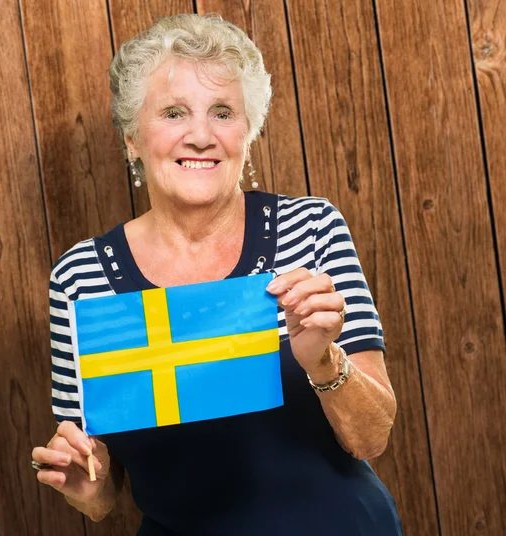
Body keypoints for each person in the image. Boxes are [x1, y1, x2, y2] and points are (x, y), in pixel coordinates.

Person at [31, 13, 402, 536]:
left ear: (248, 131)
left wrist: (321, 359)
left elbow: (372, 439)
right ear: (132, 138)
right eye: (174, 112)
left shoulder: (311, 228)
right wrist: (87, 488)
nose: (201, 135)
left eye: (223, 112)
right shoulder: (81, 279)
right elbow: (103, 489)